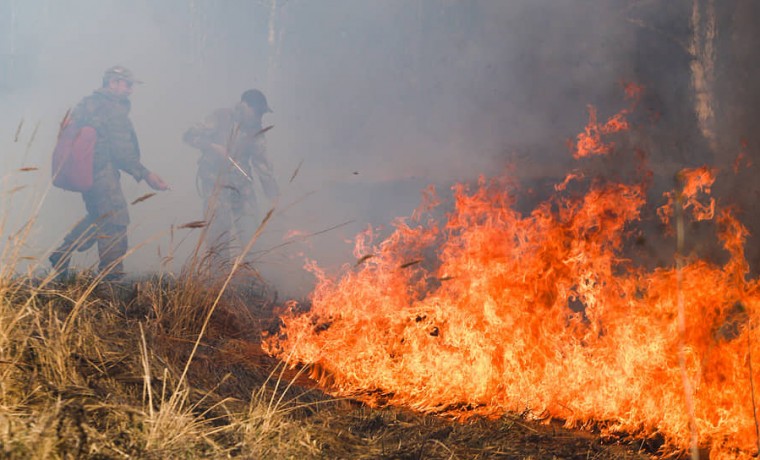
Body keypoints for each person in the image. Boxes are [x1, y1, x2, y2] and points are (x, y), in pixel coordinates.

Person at [49, 65, 170, 281]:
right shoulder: (112, 108)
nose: (130, 90)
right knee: (115, 220)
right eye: (127, 84)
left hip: (86, 172)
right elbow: (121, 150)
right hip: (102, 174)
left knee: (99, 216)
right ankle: (110, 280)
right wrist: (146, 174)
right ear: (112, 83)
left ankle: (62, 253)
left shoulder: (87, 103)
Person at [183, 89, 279, 266]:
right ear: (245, 106)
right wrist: (212, 146)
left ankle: (250, 273)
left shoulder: (255, 129)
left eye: (261, 114)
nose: (259, 117)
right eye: (257, 112)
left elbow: (262, 164)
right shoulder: (220, 117)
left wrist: (273, 195)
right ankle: (218, 276)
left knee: (250, 227)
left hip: (242, 184)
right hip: (216, 182)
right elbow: (189, 136)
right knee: (219, 231)